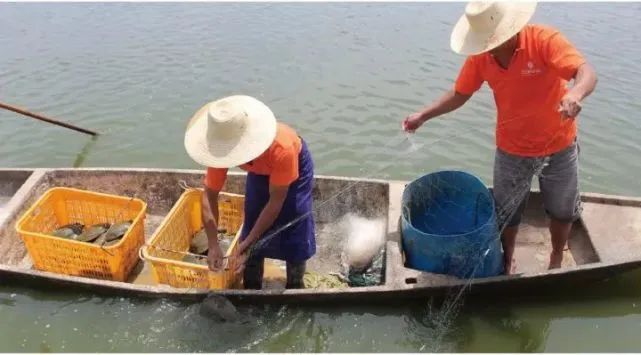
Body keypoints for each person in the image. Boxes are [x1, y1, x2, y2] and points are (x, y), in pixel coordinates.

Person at [402, 1, 598, 274]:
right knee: (507, 211)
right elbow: (460, 93)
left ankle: (556, 257)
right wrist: (423, 115)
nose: (488, 48)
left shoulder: (543, 40)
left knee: (562, 208)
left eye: (492, 41)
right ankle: (508, 260)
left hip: (559, 145)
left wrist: (574, 95)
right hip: (512, 148)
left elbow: (585, 73)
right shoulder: (481, 57)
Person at [184, 94, 316, 289]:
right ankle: (252, 284)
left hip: (290, 167)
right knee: (252, 218)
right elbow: (210, 194)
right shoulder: (220, 146)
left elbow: (275, 203)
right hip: (258, 169)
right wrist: (213, 245)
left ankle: (295, 284)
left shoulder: (283, 149)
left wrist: (247, 244)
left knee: (294, 220)